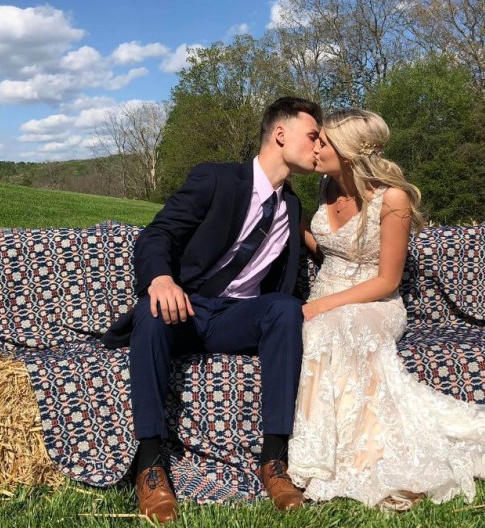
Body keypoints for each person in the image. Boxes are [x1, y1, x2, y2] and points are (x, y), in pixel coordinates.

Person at [287, 109, 485, 509]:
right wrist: (296, 224)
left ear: (347, 152)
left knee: (332, 326)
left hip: (374, 303)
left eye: (323, 142)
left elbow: (388, 281)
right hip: (328, 298)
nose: (314, 148)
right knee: (322, 327)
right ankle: (319, 453)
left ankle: (362, 459)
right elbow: (332, 250)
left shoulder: (392, 198)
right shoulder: (326, 187)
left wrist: (321, 306)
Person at [100, 96, 323, 523]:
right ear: (281, 134)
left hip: (238, 316)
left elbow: (328, 255)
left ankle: (274, 461)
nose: (318, 146)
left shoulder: (292, 207)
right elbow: (157, 234)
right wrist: (161, 279)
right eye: (313, 136)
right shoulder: (217, 179)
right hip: (187, 308)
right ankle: (150, 466)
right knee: (151, 311)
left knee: (285, 308)